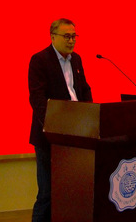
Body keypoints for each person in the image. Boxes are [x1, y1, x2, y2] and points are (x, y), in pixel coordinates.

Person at [28, 18, 93, 222]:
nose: (71, 41)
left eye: (74, 36)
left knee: (71, 192)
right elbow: (37, 98)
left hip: (75, 135)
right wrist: (53, 125)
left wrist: (91, 115)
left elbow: (83, 90)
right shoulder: (39, 60)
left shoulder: (76, 60)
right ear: (53, 37)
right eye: (66, 36)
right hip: (50, 136)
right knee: (47, 194)